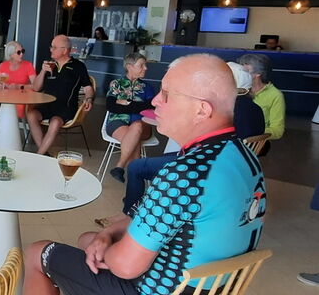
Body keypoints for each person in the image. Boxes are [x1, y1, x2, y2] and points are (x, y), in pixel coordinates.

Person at [0, 54, 266, 295]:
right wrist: (105, 237)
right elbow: (158, 217)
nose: (155, 101)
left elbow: (125, 266)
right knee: (88, 239)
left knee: (38, 253)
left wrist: (106, 250)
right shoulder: (242, 157)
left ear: (202, 110)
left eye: (168, 95)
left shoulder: (184, 175)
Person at [95, 60, 264, 227]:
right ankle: (141, 209)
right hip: (234, 170)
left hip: (204, 167)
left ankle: (128, 217)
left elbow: (197, 140)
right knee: (161, 154)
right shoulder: (256, 110)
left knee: (137, 167)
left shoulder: (225, 110)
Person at [26, 35, 94, 156]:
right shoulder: (50, 65)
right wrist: (42, 71)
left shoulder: (78, 66)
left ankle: (38, 155)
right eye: (51, 46)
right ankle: (44, 153)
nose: (51, 49)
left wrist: (89, 99)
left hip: (66, 107)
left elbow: (88, 87)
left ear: (64, 50)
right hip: (46, 105)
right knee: (31, 115)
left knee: (55, 122)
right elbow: (36, 88)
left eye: (54, 47)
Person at [103, 52, 156, 183]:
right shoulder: (116, 84)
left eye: (145, 65)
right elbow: (111, 106)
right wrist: (137, 105)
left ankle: (120, 166)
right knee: (134, 141)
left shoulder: (147, 88)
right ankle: (134, 192)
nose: (146, 68)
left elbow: (150, 107)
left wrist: (125, 103)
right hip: (117, 122)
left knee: (136, 127)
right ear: (129, 66)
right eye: (141, 65)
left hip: (143, 124)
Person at [0, 41, 36, 129]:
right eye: (18, 52)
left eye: (22, 51)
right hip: (3, 98)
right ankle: (0, 129)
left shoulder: (28, 65)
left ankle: (4, 132)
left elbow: (35, 86)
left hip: (19, 99)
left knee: (11, 110)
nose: (21, 54)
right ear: (11, 54)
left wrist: (18, 86)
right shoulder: (3, 66)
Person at [239, 53, 285, 147]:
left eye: (246, 71)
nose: (241, 75)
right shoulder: (238, 90)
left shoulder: (275, 95)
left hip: (254, 144)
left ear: (258, 73)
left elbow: (277, 131)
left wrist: (250, 130)